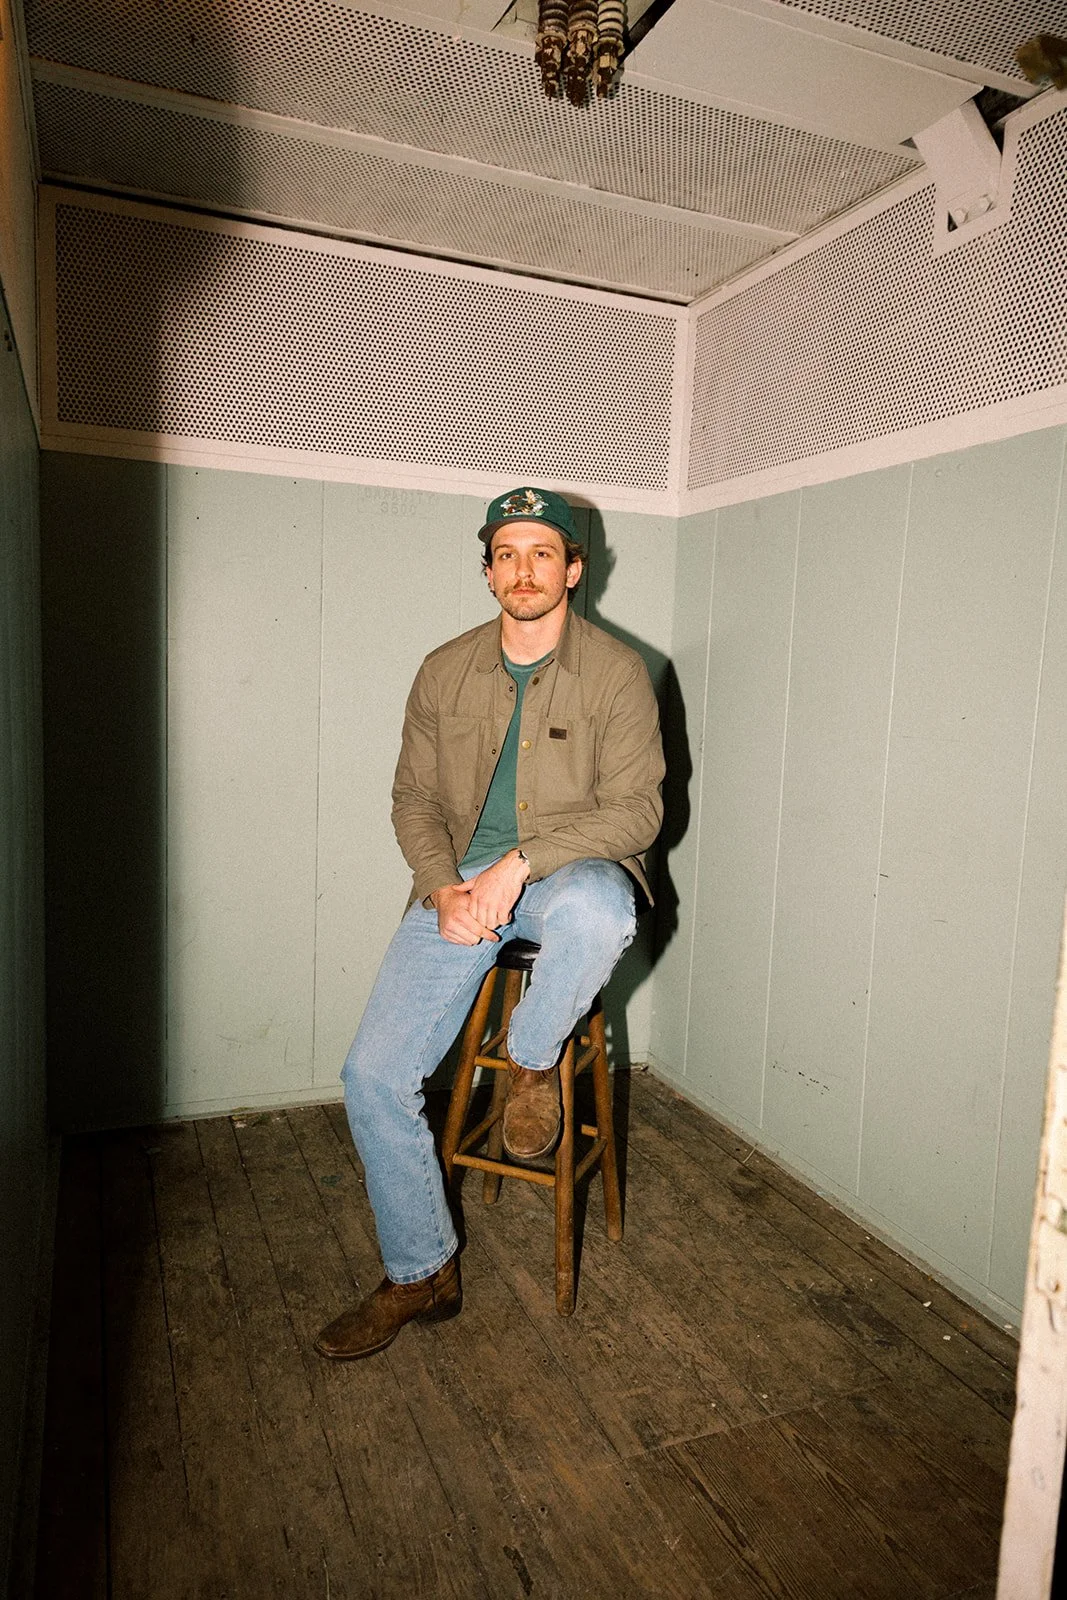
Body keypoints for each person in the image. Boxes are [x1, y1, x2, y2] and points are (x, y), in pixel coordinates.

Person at [315, 486, 665, 1360]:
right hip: (460, 889)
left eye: (542, 552)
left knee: (597, 909)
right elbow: (414, 799)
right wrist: (444, 888)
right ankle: (420, 1269)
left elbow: (638, 813)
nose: (524, 569)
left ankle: (531, 1057)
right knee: (372, 1077)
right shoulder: (443, 669)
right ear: (487, 571)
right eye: (506, 553)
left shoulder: (618, 672)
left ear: (574, 570)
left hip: (563, 872)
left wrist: (517, 867)